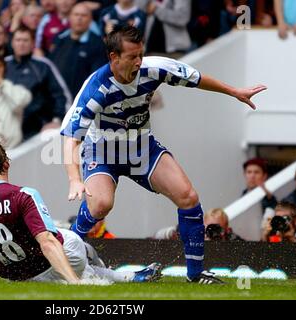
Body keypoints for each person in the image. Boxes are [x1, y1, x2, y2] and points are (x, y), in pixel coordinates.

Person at [61, 25, 267, 284]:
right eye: (132, 57)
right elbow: (71, 138)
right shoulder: (95, 89)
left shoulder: (154, 68)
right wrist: (74, 179)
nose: (138, 62)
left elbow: (196, 78)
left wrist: (234, 91)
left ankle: (196, 273)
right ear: (114, 57)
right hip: (102, 153)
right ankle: (65, 252)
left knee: (188, 196)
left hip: (141, 148)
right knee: (101, 204)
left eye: (140, 55)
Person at [0, 139, 161, 283]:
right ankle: (109, 276)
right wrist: (74, 282)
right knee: (71, 239)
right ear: (6, 163)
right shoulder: (23, 195)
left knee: (61, 249)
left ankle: (120, 277)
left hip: (15, 278)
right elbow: (48, 243)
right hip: (49, 264)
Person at [5, 27, 70, 140]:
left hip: (38, 131)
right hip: (7, 131)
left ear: (32, 44)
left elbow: (61, 96)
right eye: (18, 40)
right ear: (12, 43)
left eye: (25, 40)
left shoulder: (43, 65)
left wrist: (57, 120)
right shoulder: (2, 65)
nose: (21, 44)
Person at [49, 3, 108, 98]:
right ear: (69, 17)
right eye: (76, 14)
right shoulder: (59, 38)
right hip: (54, 97)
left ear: (90, 20)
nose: (79, 18)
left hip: (79, 98)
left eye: (83, 15)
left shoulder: (98, 44)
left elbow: (96, 77)